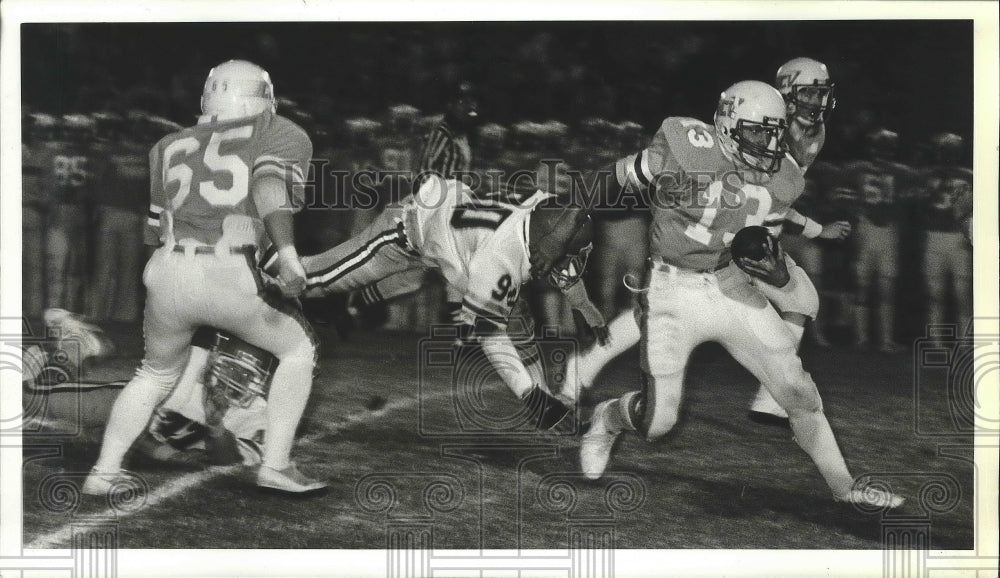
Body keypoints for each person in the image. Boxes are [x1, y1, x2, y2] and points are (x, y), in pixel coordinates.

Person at [567, 80, 902, 507]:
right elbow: (619, 177)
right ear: (727, 124)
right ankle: (607, 419)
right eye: (757, 132)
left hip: (728, 283)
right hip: (672, 288)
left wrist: (775, 270)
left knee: (797, 390)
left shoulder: (782, 177)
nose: (768, 143)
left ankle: (845, 487)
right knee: (657, 423)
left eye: (774, 132)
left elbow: (760, 241)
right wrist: (569, 208)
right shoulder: (687, 145)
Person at [562, 58, 852, 428]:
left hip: (742, 224)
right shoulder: (758, 120)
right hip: (709, 220)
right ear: (786, 94)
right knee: (656, 309)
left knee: (798, 299)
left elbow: (771, 201)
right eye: (809, 92)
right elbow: (745, 193)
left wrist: (810, 228)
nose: (818, 101)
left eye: (821, 92)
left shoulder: (812, 133)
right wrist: (812, 229)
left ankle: (770, 395)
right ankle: (771, 395)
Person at [83, 59, 325, 497]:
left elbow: (154, 228)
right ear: (265, 96)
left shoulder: (167, 144)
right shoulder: (279, 130)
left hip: (168, 268)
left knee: (153, 373)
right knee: (298, 348)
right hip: (228, 266)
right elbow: (270, 188)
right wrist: (288, 255)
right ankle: (276, 465)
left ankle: (104, 471)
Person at [273, 176, 595, 430]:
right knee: (312, 280)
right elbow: (490, 335)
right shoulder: (500, 257)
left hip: (440, 232)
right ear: (546, 239)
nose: (569, 265)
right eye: (567, 255)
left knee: (512, 316)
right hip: (405, 230)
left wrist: (541, 396)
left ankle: (340, 306)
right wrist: (532, 399)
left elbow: (578, 202)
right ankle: (254, 272)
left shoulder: (540, 208)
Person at [845, 128, 918, 352]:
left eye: (888, 146)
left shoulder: (902, 172)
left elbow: (907, 204)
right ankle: (861, 339)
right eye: (880, 145)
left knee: (886, 287)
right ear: (871, 146)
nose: (883, 150)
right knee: (862, 286)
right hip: (865, 227)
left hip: (888, 231)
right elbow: (846, 200)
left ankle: (885, 339)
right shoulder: (856, 170)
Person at [919, 133, 973, 338]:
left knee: (962, 294)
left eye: (951, 151)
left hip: (957, 236)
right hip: (934, 235)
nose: (947, 155)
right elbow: (921, 207)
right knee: (935, 294)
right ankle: (936, 341)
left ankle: (966, 343)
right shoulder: (928, 176)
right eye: (945, 151)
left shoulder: (969, 175)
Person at [415, 81, 479, 187]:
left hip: (457, 198)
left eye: (470, 102)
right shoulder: (442, 133)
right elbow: (424, 171)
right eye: (462, 102)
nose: (468, 107)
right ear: (450, 105)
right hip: (439, 198)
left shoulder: (463, 136)